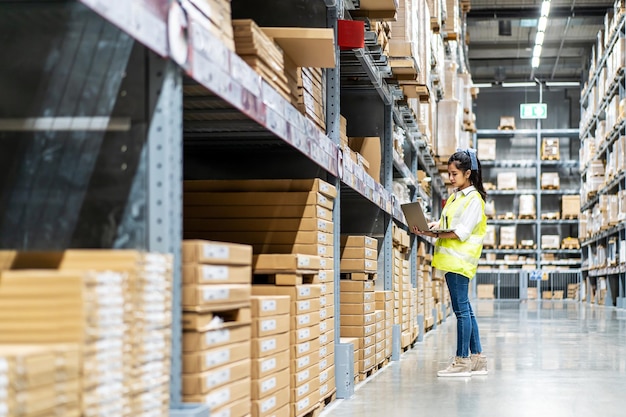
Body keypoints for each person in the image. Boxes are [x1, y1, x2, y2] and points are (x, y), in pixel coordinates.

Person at [413, 149, 488, 377]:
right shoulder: (457, 196)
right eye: (449, 173)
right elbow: (449, 223)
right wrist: (433, 225)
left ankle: (461, 361)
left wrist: (433, 234)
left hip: (460, 262)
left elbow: (460, 232)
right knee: (466, 310)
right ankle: (477, 359)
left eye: (455, 174)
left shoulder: (474, 199)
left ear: (467, 173)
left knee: (461, 312)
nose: (451, 178)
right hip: (452, 262)